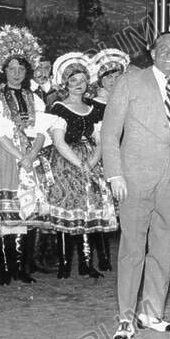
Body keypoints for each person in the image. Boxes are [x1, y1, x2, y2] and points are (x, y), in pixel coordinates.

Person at [101, 32, 170, 339]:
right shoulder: (130, 81)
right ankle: (126, 318)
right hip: (133, 180)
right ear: (152, 50)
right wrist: (115, 175)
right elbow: (109, 133)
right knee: (132, 249)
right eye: (164, 48)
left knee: (164, 249)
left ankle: (151, 312)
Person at [0, 27, 56, 286]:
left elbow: (43, 130)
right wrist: (19, 155)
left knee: (28, 211)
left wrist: (32, 153)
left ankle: (22, 267)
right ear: (4, 71)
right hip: (7, 156)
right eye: (11, 68)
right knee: (8, 211)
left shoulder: (34, 98)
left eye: (21, 69)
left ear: (27, 72)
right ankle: (5, 269)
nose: (16, 73)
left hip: (31, 157)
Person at [46, 52, 117, 279]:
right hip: (67, 161)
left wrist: (93, 161)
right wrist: (80, 163)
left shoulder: (92, 108)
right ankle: (65, 265)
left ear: (89, 82)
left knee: (89, 209)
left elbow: (100, 139)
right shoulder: (58, 108)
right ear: (65, 84)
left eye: (82, 80)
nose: (78, 85)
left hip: (91, 161)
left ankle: (87, 263)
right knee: (70, 208)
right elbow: (58, 141)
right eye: (73, 80)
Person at [86, 48, 130, 271]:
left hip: (127, 158)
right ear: (100, 81)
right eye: (108, 77)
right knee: (103, 207)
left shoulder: (127, 101)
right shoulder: (93, 105)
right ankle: (103, 256)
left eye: (117, 76)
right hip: (102, 159)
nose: (113, 81)